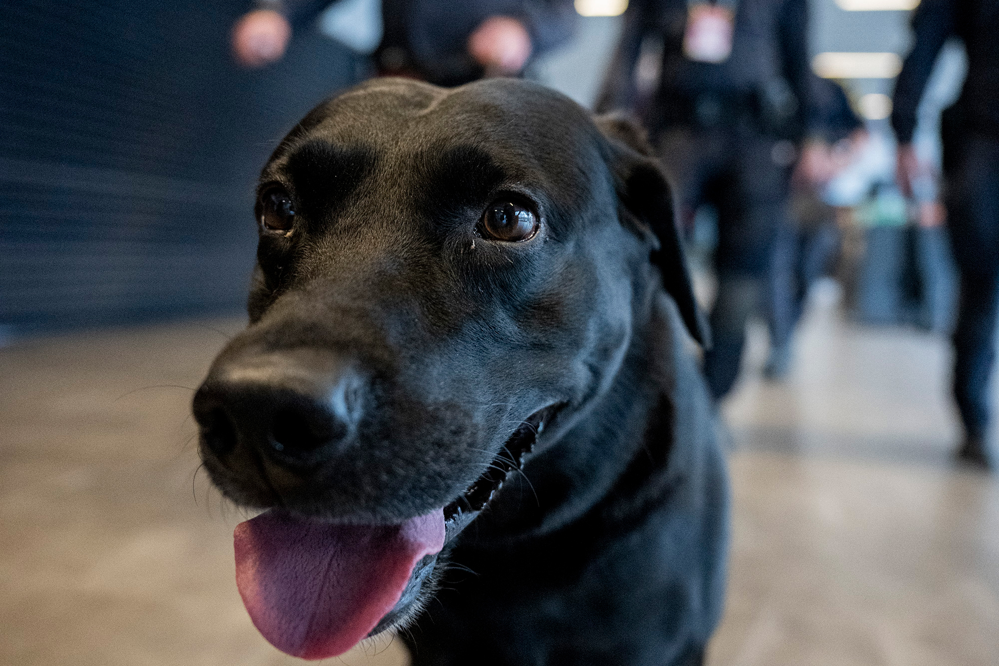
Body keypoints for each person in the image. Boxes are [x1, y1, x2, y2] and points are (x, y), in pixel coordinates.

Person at [596, 0, 821, 400]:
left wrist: (812, 136)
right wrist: (602, 126)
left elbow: (799, 56)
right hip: (679, 133)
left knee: (744, 275)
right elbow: (627, 51)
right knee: (648, 257)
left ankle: (712, 400)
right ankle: (648, 390)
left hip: (755, 137)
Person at [892, 0, 999, 468]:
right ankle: (973, 419)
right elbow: (925, 44)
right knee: (981, 282)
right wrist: (905, 135)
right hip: (985, 139)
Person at [765, 76, 866, 378]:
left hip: (823, 197)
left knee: (808, 271)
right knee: (778, 270)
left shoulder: (832, 90)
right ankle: (780, 342)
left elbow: (862, 135)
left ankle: (789, 332)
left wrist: (835, 164)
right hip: (781, 195)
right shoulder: (776, 84)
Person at [231, 0, 576, 86]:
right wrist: (278, 12)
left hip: (480, 85)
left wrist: (523, 29)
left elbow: (564, 15)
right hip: (396, 79)